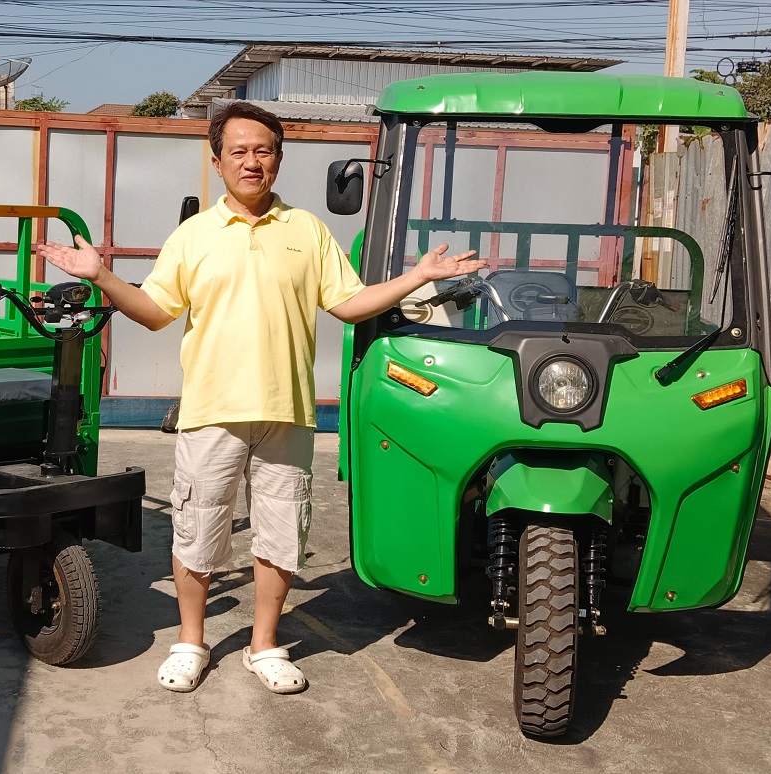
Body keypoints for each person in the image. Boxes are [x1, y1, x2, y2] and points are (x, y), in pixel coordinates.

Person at [37, 102, 485, 694]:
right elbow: (155, 312)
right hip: (211, 410)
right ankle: (191, 642)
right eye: (240, 151)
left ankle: (264, 645)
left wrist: (418, 277)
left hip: (287, 411)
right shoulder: (194, 235)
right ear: (217, 161)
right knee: (198, 528)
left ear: (278, 159)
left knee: (281, 532)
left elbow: (349, 303)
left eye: (264, 151)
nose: (252, 162)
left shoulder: (307, 231)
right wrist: (101, 276)